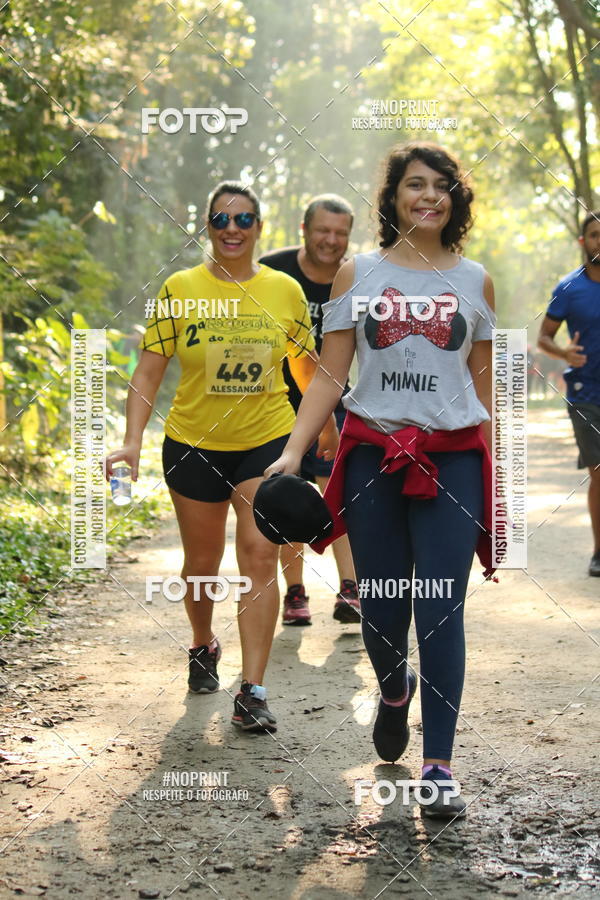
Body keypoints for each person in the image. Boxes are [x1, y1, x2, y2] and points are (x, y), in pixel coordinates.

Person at [266, 142, 495, 817]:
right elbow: (331, 375)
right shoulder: (356, 273)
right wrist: (292, 452)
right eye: (414, 185)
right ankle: (394, 690)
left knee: (442, 606)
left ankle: (440, 767)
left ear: (455, 200)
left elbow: (483, 389)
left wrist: (497, 481)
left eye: (440, 187)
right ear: (393, 197)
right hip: (372, 459)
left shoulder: (475, 279)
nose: (428, 196)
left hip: (452, 460)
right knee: (385, 605)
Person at [105, 181, 339, 733]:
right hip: (192, 441)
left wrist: (325, 421)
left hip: (267, 440)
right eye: (220, 220)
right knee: (201, 566)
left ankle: (252, 691)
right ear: (207, 227)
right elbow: (149, 370)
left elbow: (304, 365)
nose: (232, 230)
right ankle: (201, 642)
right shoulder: (179, 289)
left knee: (259, 554)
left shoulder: (283, 291)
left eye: (244, 220)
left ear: (260, 227)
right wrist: (132, 440)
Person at [260, 195, 359, 626]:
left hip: (338, 401)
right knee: (288, 495)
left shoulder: (358, 276)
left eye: (340, 233)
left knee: (341, 495)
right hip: (277, 404)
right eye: (323, 230)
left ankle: (351, 590)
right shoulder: (273, 271)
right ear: (304, 229)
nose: (331, 240)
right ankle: (295, 593)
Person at [538, 210, 600, 577]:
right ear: (583, 241)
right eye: (594, 235)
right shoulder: (569, 288)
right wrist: (563, 353)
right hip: (585, 393)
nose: (599, 241)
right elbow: (543, 337)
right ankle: (598, 552)